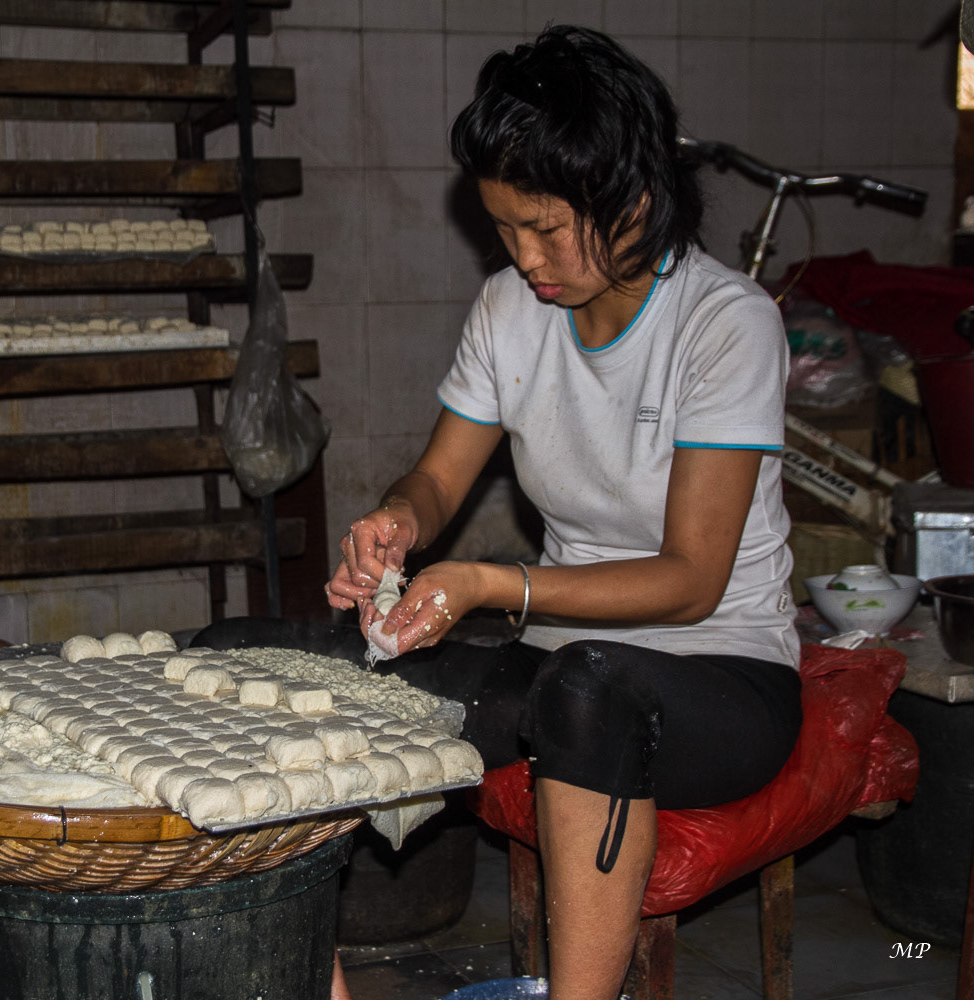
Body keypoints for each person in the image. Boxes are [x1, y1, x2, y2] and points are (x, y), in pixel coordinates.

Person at [323, 24, 803, 1000]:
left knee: (585, 690)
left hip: (723, 673)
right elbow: (440, 481)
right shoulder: (509, 310)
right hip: (566, 659)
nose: (523, 255)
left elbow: (690, 579)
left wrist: (492, 582)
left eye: (544, 228)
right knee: (295, 661)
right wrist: (397, 526)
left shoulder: (724, 322)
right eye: (503, 227)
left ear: (630, 203)